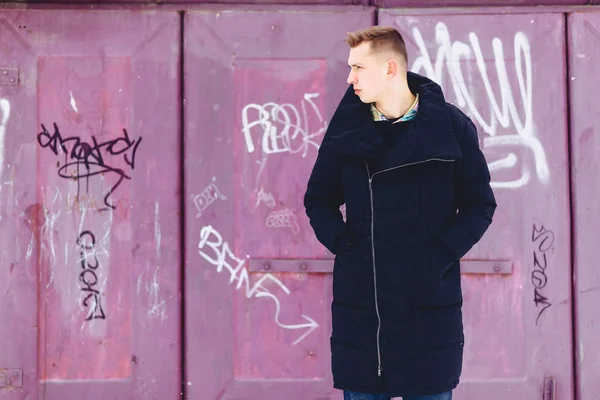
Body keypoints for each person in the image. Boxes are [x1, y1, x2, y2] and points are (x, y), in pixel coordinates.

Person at [303, 26, 497, 400]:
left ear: (391, 69)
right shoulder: (348, 129)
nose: (349, 78)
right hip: (364, 312)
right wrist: (347, 247)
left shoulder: (450, 127)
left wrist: (439, 254)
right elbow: (319, 200)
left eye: (359, 68)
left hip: (428, 308)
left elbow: (479, 204)